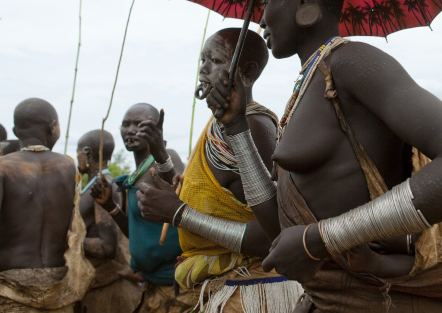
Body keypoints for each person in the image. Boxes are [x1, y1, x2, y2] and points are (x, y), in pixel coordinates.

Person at [205, 0, 442, 312]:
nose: (261, 19)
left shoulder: (350, 64)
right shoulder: (306, 88)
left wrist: (320, 239)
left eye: (266, 4)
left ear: (304, 1)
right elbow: (280, 230)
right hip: (326, 300)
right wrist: (236, 127)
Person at [137, 28, 303, 313]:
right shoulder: (219, 127)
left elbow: (272, 235)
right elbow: (207, 193)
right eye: (202, 59)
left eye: (214, 60)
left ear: (247, 71)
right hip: (226, 287)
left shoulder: (252, 126)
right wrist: (162, 158)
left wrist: (179, 214)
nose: (203, 68)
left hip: (253, 291)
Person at [0, 98, 94, 312]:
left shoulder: (4, 168)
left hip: (11, 284)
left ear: (15, 130)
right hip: (58, 281)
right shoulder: (68, 166)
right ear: (53, 127)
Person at [91, 103, 186, 313]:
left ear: (156, 129)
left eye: (139, 124)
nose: (131, 130)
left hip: (175, 288)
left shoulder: (165, 158)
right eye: (125, 125)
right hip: (152, 285)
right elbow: (138, 234)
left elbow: (184, 195)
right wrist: (110, 206)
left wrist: (161, 152)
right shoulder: (135, 175)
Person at [75, 129, 142, 313]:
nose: (77, 157)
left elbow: (107, 247)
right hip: (98, 286)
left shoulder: (101, 187)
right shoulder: (94, 186)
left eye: (78, 151)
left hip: (109, 291)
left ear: (87, 152)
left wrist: (71, 241)